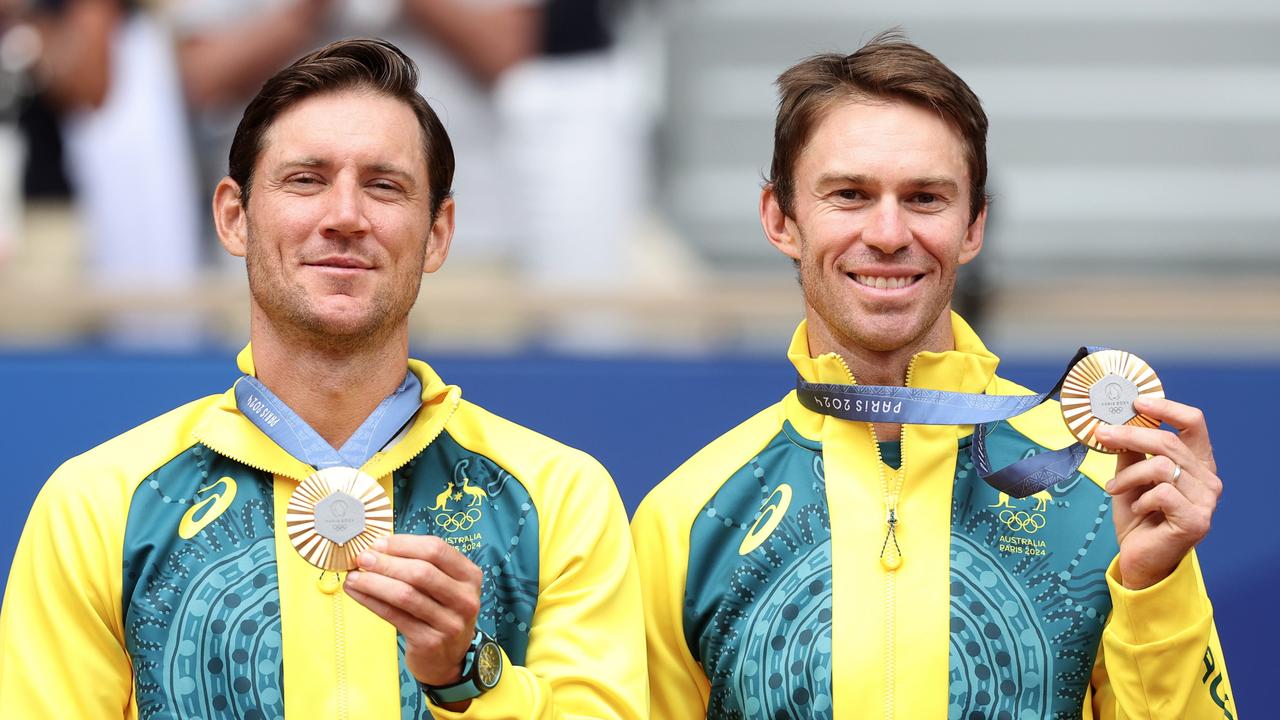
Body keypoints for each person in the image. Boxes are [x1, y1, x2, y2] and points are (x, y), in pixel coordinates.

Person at [0, 38, 646, 719]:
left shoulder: (560, 497)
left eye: (384, 185)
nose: (344, 215)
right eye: (306, 179)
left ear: (437, 233)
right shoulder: (97, 502)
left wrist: (469, 676)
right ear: (233, 216)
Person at [631, 33, 1236, 719]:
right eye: (850, 194)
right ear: (780, 218)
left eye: (925, 198)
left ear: (973, 225)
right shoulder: (684, 519)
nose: (889, 233)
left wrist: (1156, 586)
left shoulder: (1103, 486)